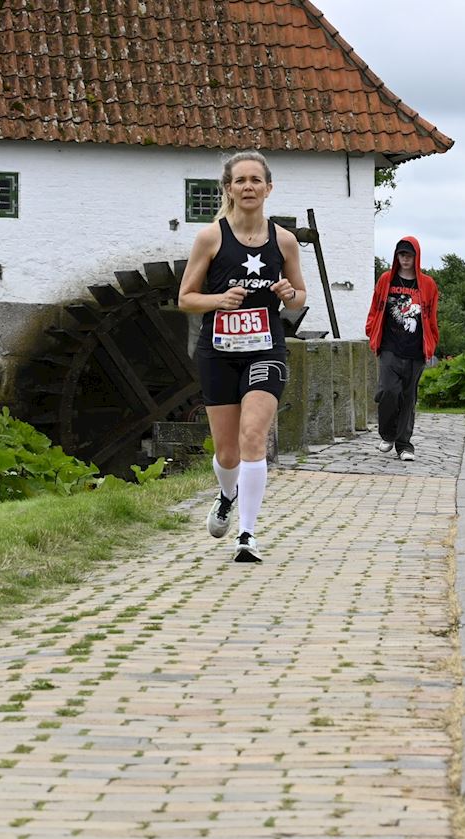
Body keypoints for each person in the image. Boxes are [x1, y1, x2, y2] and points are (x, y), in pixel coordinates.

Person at [179, 150, 307, 563]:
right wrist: (220, 299)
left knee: (253, 438)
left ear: (268, 188)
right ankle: (226, 493)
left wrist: (290, 295)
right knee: (227, 453)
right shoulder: (211, 238)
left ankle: (247, 535)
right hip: (218, 352)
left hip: (266, 349)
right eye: (241, 181)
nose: (248, 187)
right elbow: (185, 298)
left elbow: (300, 294)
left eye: (256, 180)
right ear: (229, 189)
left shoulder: (283, 240)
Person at [366, 237, 440, 462]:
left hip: (415, 350)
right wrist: (371, 329)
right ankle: (387, 434)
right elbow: (376, 306)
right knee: (388, 391)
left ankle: (404, 445)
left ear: (416, 257)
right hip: (390, 346)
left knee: (408, 397)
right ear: (396, 257)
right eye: (401, 255)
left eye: (409, 255)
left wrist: (432, 343)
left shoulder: (427, 284)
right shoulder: (386, 280)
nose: (405, 259)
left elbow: (432, 316)